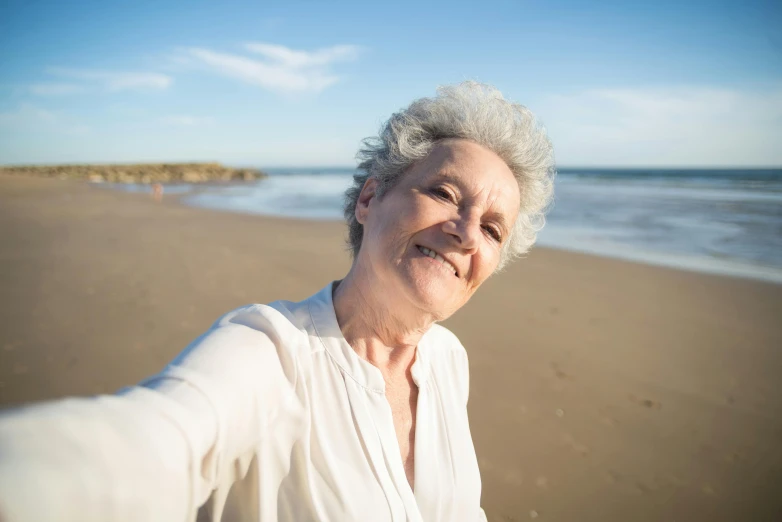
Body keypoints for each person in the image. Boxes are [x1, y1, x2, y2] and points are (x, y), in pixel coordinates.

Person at [0, 81, 555, 522]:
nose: (465, 232)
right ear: (369, 197)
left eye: (492, 228)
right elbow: (153, 442)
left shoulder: (448, 362)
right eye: (444, 192)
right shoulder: (268, 351)